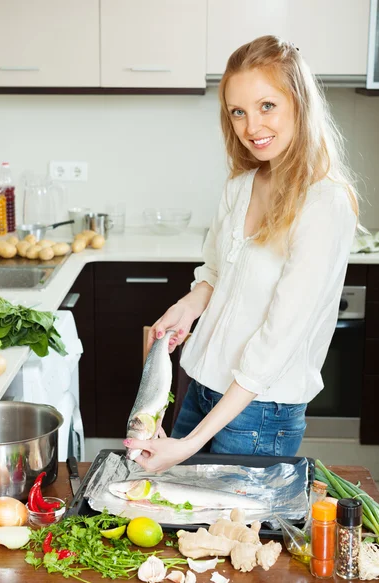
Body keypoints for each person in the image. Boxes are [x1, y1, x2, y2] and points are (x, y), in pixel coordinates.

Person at [123, 35, 359, 473]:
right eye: (238, 112)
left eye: (267, 106)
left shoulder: (324, 204)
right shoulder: (242, 185)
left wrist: (189, 443)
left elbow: (276, 344)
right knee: (187, 526)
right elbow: (217, 271)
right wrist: (188, 307)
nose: (252, 127)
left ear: (299, 105)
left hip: (259, 414)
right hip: (202, 388)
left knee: (236, 539)